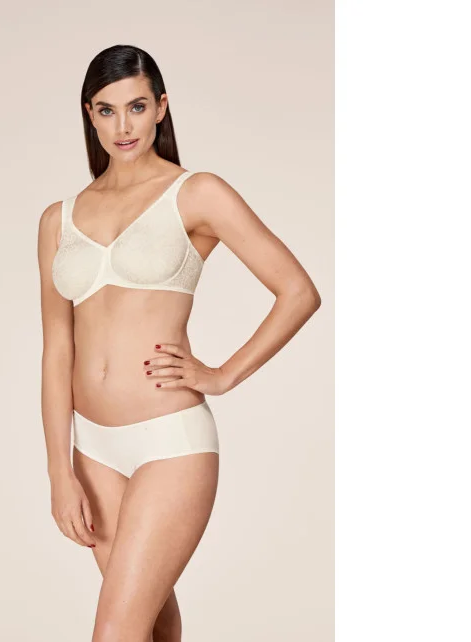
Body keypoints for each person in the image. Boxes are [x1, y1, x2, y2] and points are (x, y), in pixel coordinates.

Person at [37, 44, 321, 642]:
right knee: (153, 623)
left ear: (161, 107)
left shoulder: (196, 193)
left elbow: (298, 291)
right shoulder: (58, 219)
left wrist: (223, 374)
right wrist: (59, 470)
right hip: (92, 450)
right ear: (89, 115)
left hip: (170, 442)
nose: (124, 125)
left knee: (115, 631)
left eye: (137, 106)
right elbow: (57, 349)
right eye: (107, 110)